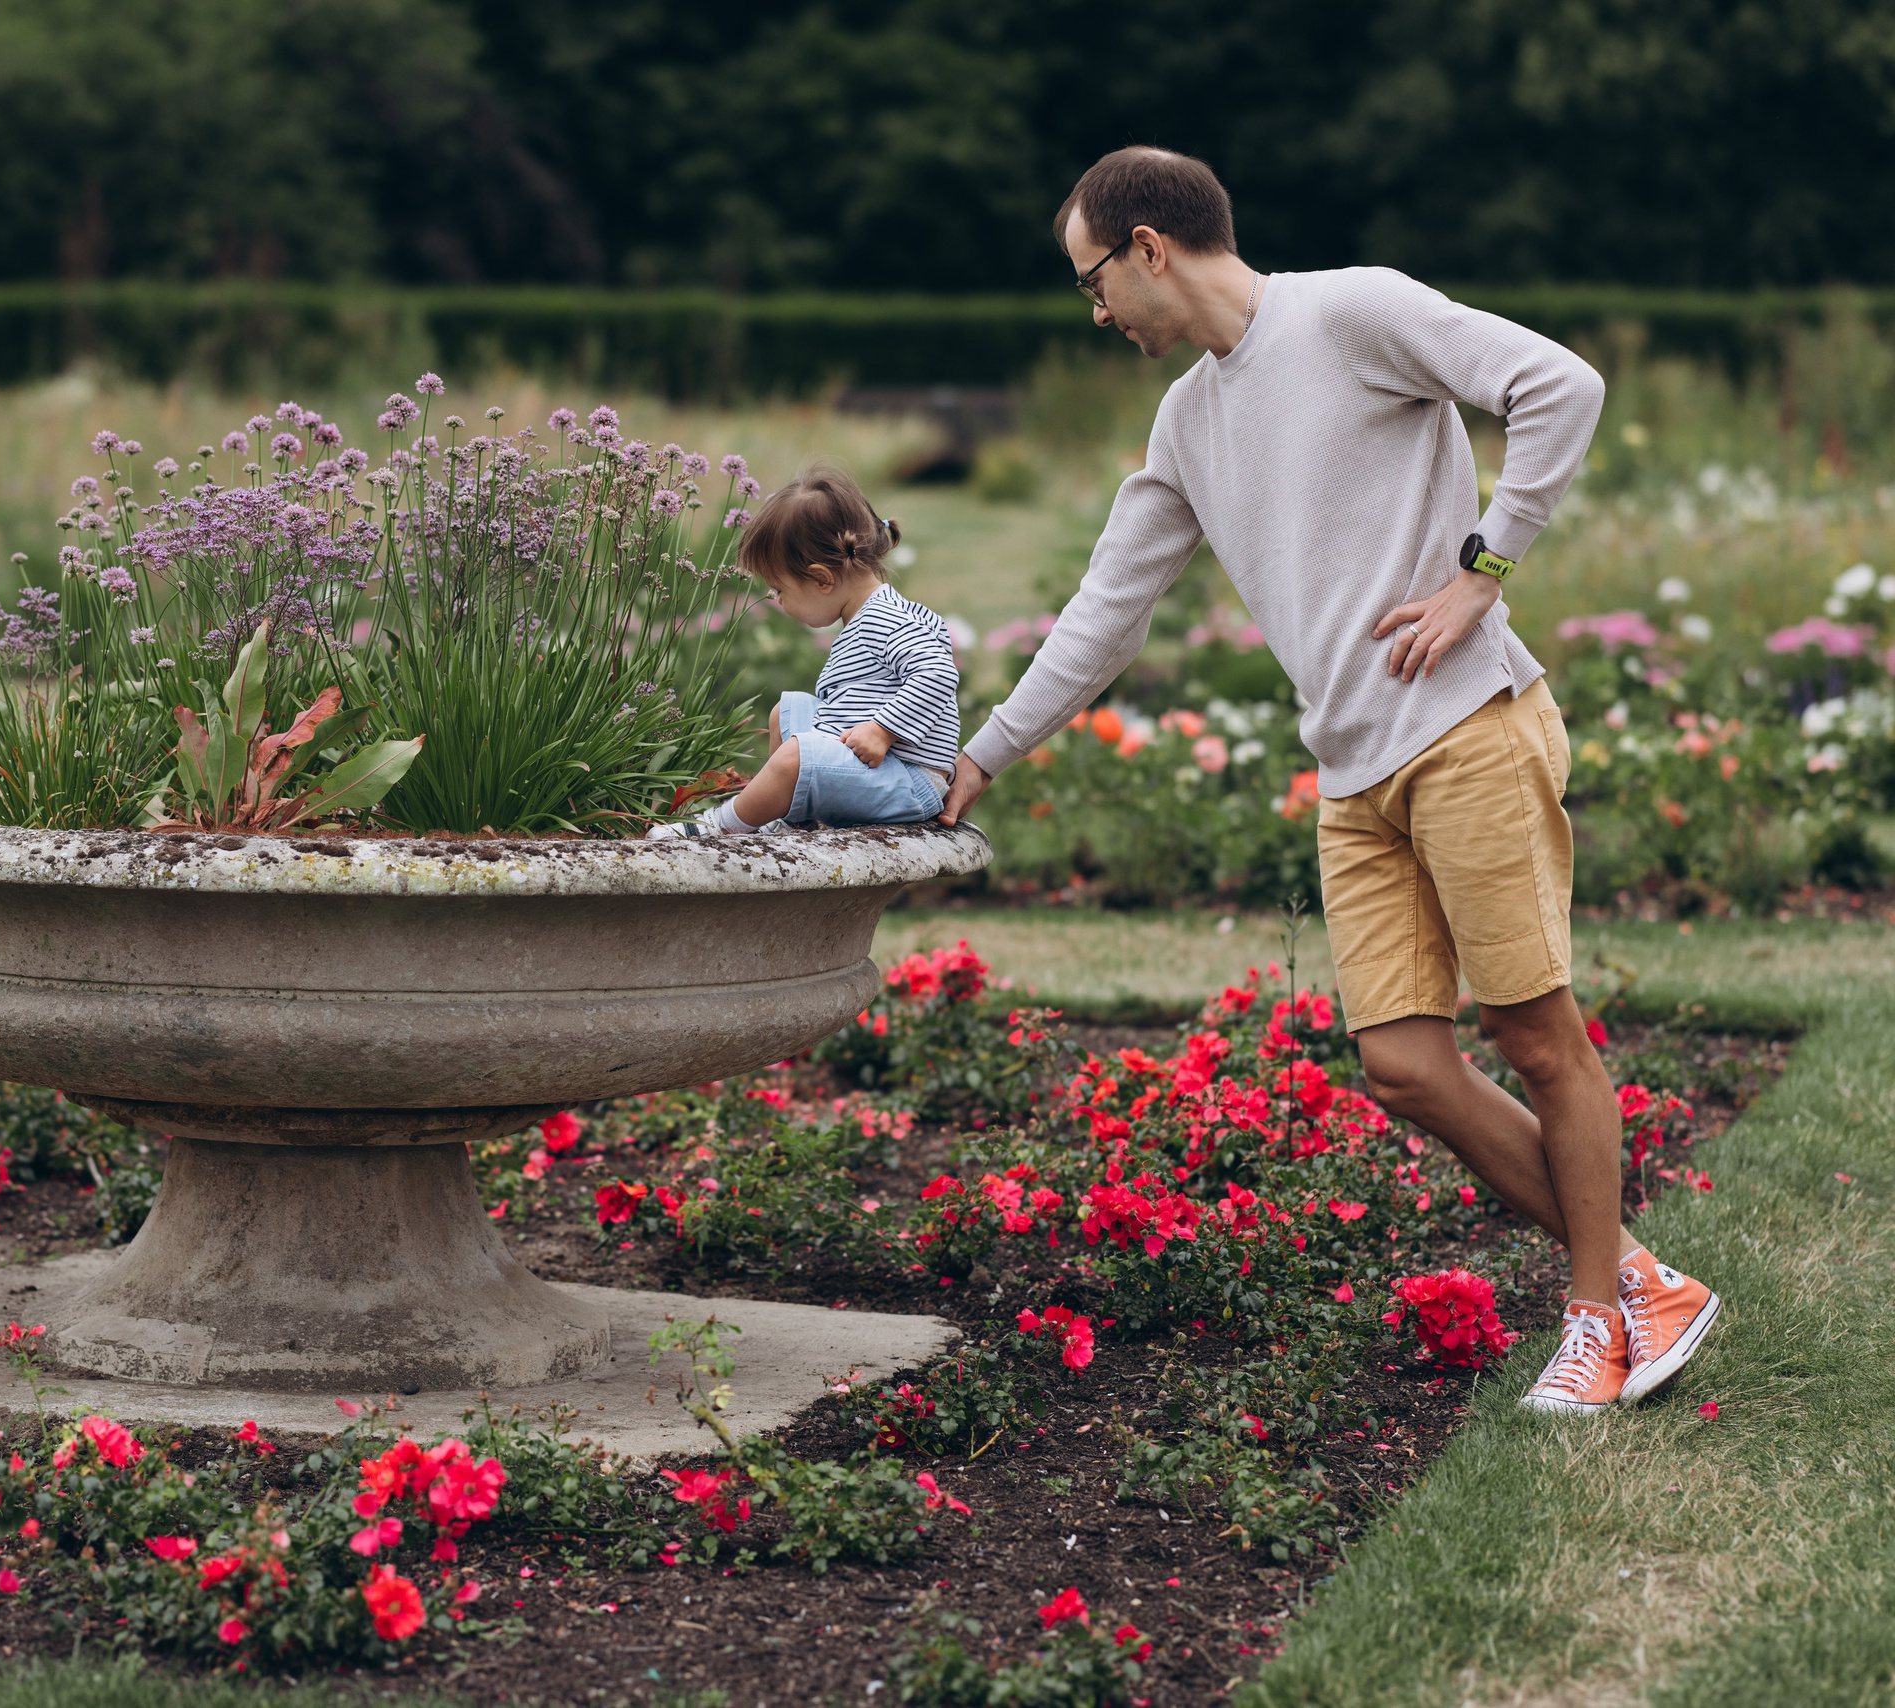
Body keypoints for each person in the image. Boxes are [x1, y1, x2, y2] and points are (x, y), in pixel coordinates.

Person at [941, 146, 1719, 1415]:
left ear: (1147, 247)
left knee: (1533, 1031)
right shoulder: (1189, 417)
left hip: (1468, 727)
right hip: (1354, 771)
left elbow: (1558, 386)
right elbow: (1106, 610)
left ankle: (1593, 1314)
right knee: (1405, 1061)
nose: (1096, 315)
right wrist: (982, 754)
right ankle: (1638, 1278)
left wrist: (1485, 570)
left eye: (1092, 282)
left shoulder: (1350, 311)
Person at [651, 466, 959, 838]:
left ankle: (722, 826)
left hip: (908, 782)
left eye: (780, 590)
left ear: (821, 579)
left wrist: (883, 730)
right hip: (882, 768)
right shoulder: (869, 615)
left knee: (797, 757)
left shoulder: (886, 618)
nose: (777, 600)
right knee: (787, 712)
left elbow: (938, 673)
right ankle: (789, 817)